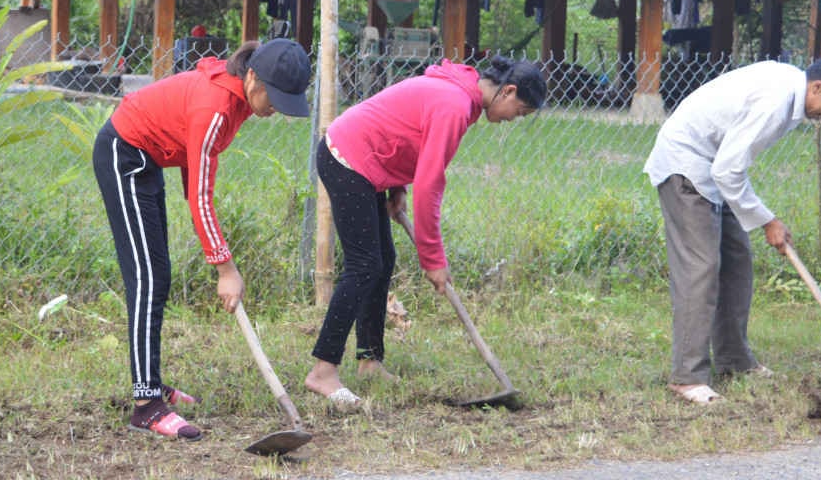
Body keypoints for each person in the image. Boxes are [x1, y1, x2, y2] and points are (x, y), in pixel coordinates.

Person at [93, 38, 311, 439]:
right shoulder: (217, 107)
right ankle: (146, 406)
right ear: (251, 77)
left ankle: (151, 383)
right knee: (146, 280)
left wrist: (216, 252)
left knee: (157, 274)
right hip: (124, 155)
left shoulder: (239, 100)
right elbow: (199, 196)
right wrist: (225, 267)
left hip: (148, 158)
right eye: (274, 98)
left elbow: (193, 166)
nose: (276, 108)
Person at [304, 55, 546, 406]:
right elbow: (431, 184)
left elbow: (409, 132)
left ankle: (370, 359)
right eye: (519, 111)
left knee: (382, 260)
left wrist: (398, 186)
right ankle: (323, 372)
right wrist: (433, 258)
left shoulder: (459, 97)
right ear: (507, 91)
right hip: (347, 157)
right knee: (364, 265)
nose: (513, 119)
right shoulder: (455, 105)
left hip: (368, 161)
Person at [643, 51, 821, 405]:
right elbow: (728, 169)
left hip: (716, 169)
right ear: (819, 86)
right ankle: (687, 377)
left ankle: (734, 360)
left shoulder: (791, 91)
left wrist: (763, 217)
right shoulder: (776, 101)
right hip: (686, 166)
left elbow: (729, 166)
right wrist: (767, 220)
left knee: (737, 262)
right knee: (700, 269)